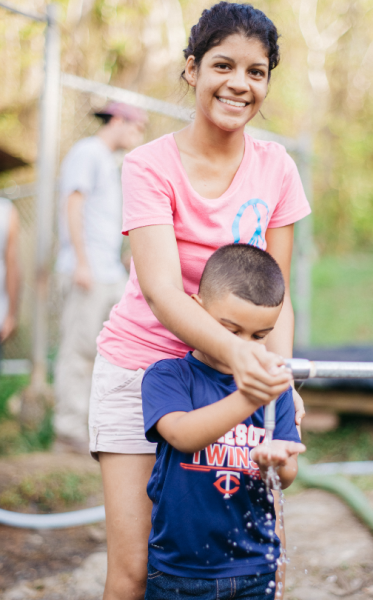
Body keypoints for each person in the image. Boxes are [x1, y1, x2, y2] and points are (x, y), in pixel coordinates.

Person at [90, 3, 311, 598]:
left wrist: (277, 380)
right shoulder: (149, 165)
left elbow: (278, 299)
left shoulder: (277, 168)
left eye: (257, 71)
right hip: (142, 369)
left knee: (227, 565)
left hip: (230, 383)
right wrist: (249, 367)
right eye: (223, 65)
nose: (240, 83)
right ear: (192, 70)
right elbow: (162, 292)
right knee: (136, 570)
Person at [141, 244, 306, 600]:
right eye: (231, 331)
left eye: (260, 337)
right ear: (197, 311)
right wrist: (250, 396)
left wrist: (275, 464)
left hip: (253, 569)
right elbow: (183, 435)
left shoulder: (277, 391)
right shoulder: (169, 376)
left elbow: (287, 476)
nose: (247, 348)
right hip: (179, 572)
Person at [53, 102, 147, 452]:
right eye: (137, 127)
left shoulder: (111, 161)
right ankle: (68, 431)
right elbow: (73, 204)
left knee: (113, 350)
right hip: (86, 270)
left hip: (108, 271)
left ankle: (98, 428)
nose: (139, 135)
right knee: (78, 350)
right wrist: (82, 261)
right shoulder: (88, 152)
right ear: (119, 121)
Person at [0, 197, 21, 351]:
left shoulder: (6, 211)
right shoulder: (6, 211)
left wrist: (11, 314)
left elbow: (13, 265)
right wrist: (11, 314)